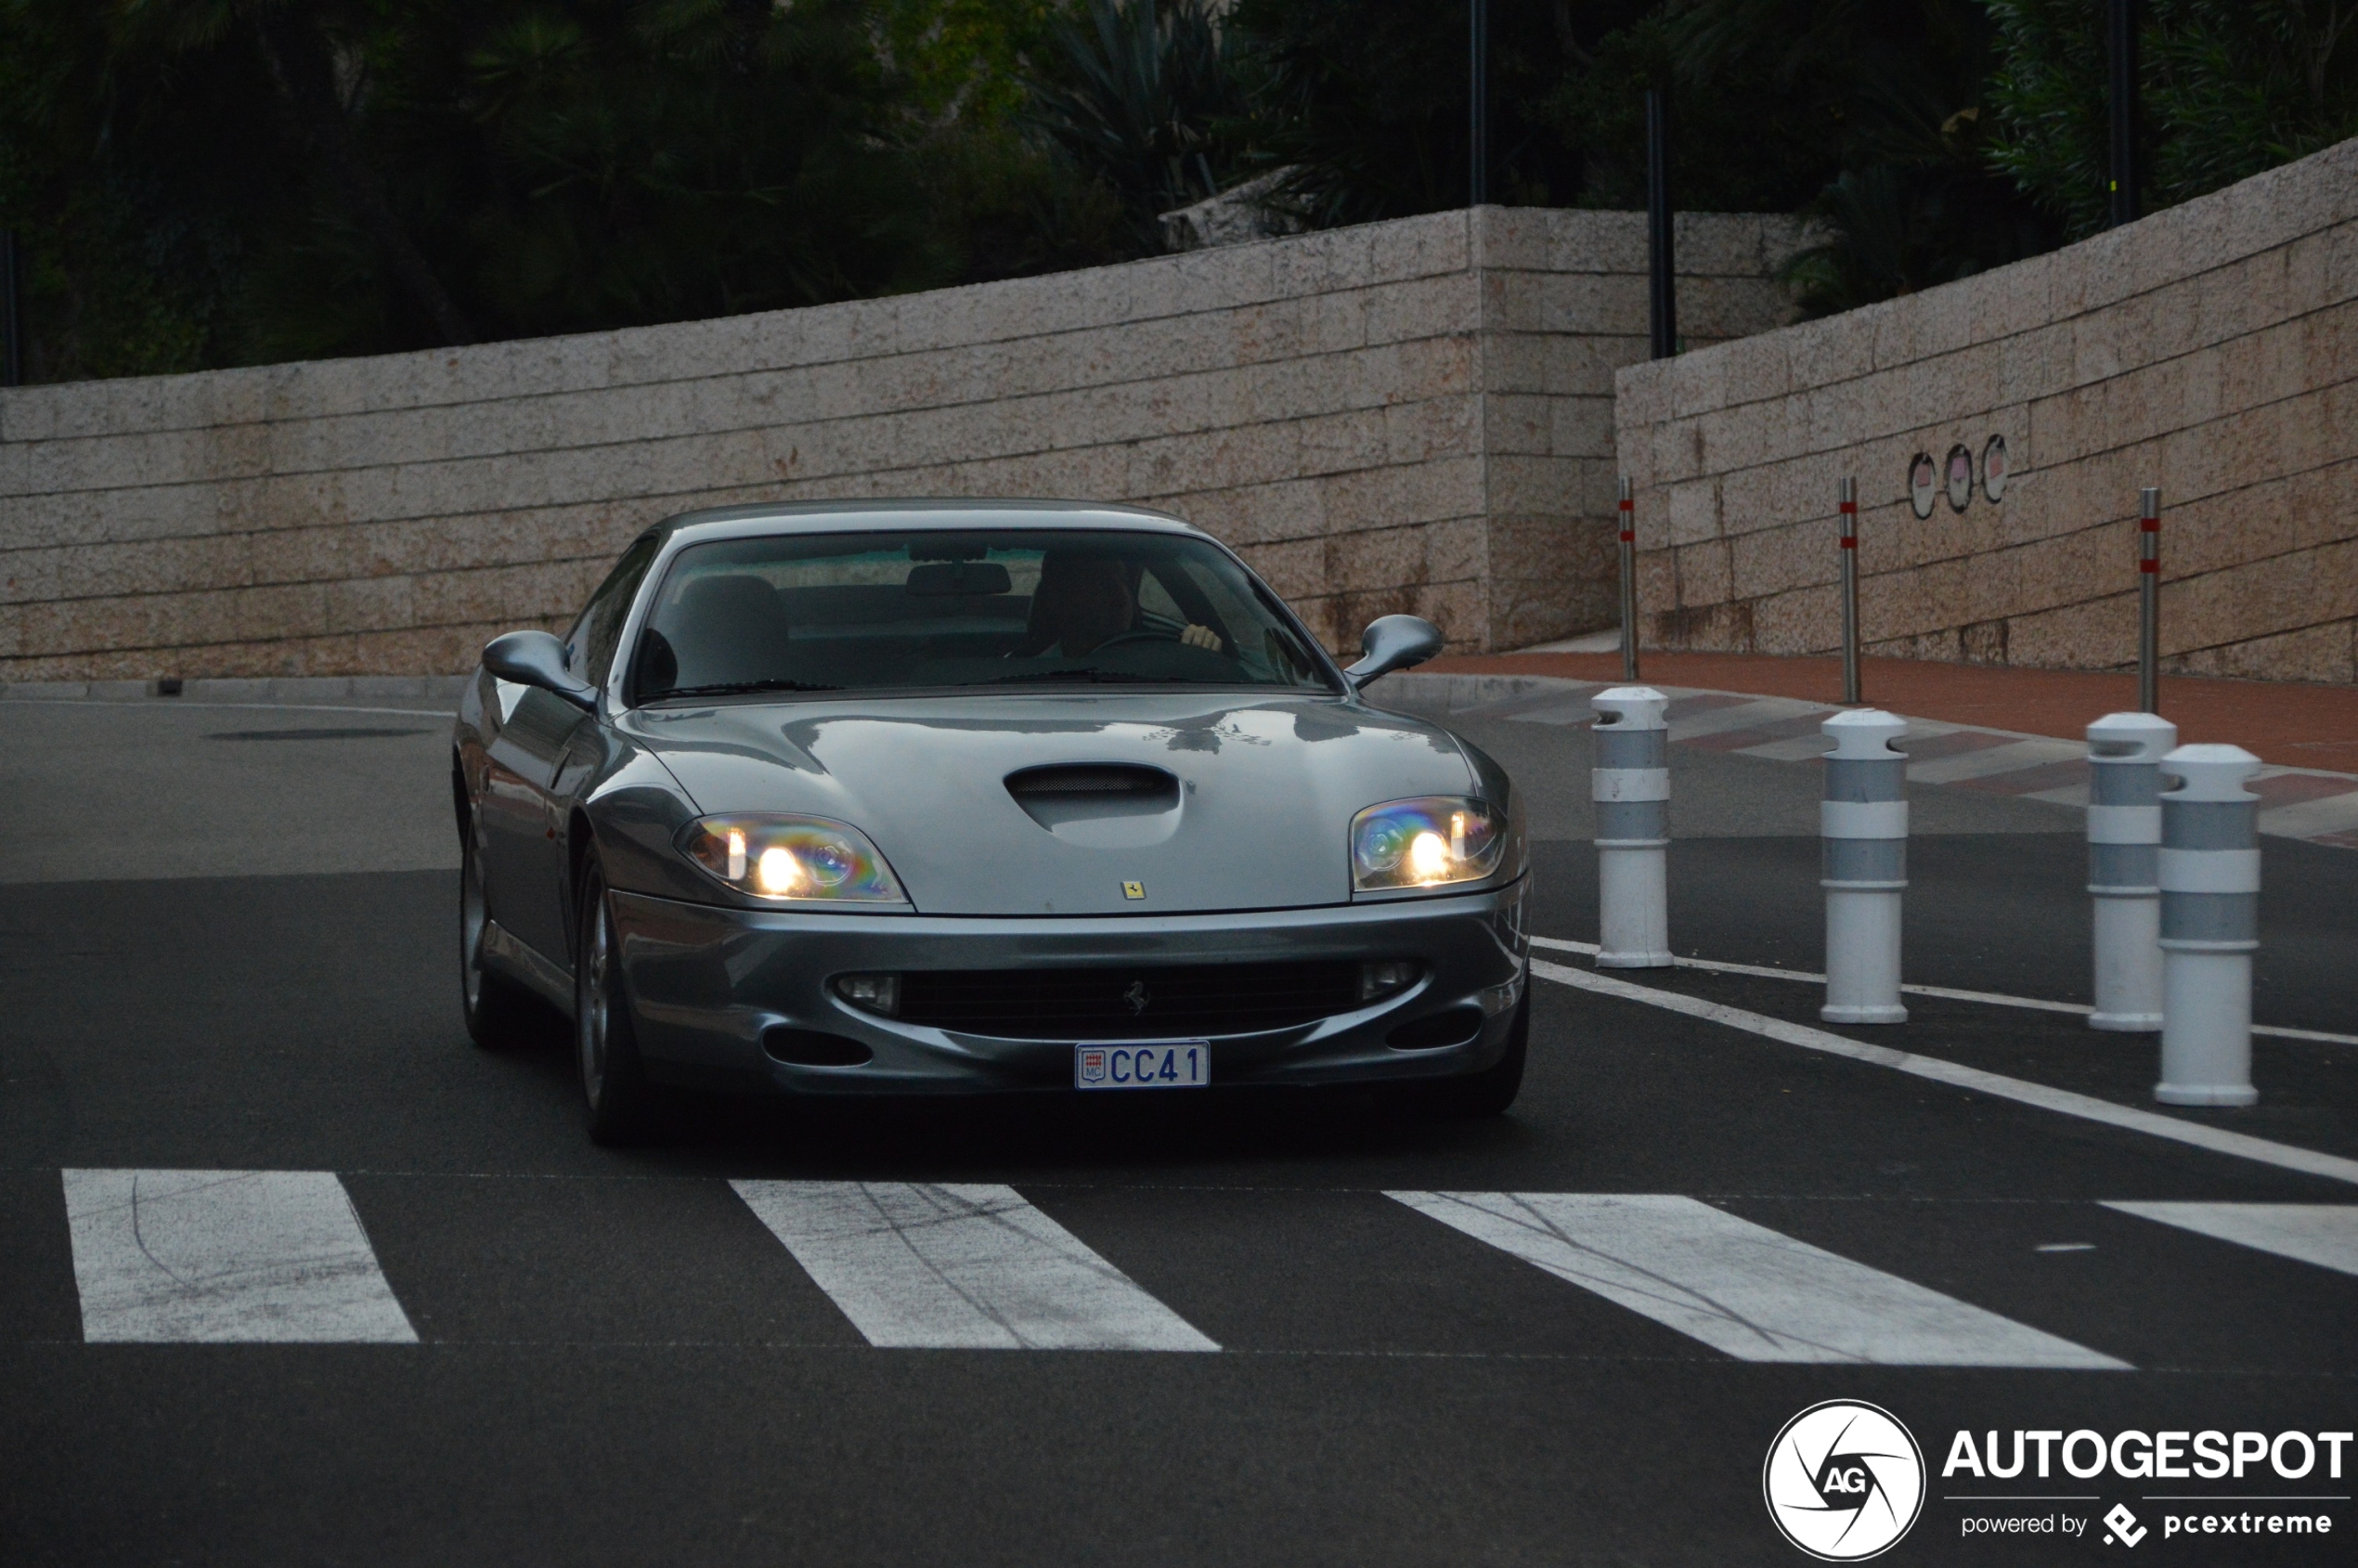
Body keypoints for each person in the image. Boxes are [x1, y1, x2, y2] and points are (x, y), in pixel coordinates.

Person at [1017, 551, 1222, 657]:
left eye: (1121, 580)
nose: (1119, 596)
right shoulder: (1032, 677)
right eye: (1098, 583)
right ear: (1059, 599)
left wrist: (1202, 650)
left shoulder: (1158, 663)